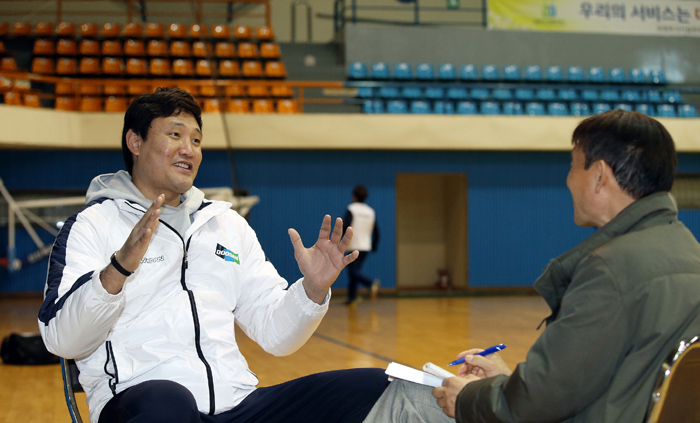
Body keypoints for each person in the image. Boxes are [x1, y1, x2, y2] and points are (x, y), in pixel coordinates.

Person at [38, 87, 388, 423]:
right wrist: (118, 268)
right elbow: (61, 339)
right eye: (175, 135)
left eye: (196, 140)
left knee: (375, 387)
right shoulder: (93, 225)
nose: (188, 149)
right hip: (142, 405)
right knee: (169, 401)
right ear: (135, 142)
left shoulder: (226, 225)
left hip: (236, 405)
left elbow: (275, 334)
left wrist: (312, 290)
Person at [362, 109, 700, 423]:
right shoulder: (689, 252)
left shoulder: (612, 269)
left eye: (572, 166)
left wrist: (467, 399)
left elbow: (539, 401)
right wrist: (509, 384)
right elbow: (588, 382)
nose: (568, 180)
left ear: (599, 176)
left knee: (408, 397)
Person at [343, 185, 380, 305]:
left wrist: (340, 242)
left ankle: (370, 283)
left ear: (354, 197)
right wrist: (374, 245)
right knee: (355, 271)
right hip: (366, 247)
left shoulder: (351, 209)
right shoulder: (370, 211)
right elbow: (376, 231)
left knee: (352, 271)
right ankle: (352, 297)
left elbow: (345, 227)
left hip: (354, 245)